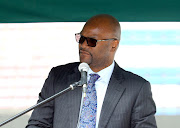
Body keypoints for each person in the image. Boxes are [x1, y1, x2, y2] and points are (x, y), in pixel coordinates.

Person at [26, 14, 157, 128]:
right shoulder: (58, 77)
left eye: (91, 41)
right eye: (81, 39)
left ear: (113, 44)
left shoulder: (137, 88)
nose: (83, 45)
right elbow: (38, 124)